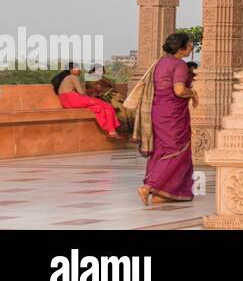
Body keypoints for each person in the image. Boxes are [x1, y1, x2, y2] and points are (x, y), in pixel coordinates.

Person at [135, 32, 198, 205]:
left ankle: (161, 194)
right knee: (176, 151)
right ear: (181, 47)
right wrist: (192, 93)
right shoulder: (180, 65)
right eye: (190, 44)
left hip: (158, 111)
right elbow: (179, 90)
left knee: (162, 150)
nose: (192, 47)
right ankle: (149, 187)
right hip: (173, 116)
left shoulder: (159, 63)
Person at [52, 64, 121, 138]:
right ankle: (112, 130)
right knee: (107, 106)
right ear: (71, 70)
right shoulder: (73, 77)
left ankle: (111, 130)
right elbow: (81, 93)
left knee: (98, 108)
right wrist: (91, 98)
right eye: (77, 69)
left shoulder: (65, 78)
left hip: (65, 103)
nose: (79, 70)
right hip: (73, 100)